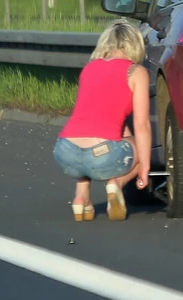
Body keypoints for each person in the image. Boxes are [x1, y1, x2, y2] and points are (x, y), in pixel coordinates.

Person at [53, 18, 151, 221]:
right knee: (143, 146)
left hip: (65, 152)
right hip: (101, 155)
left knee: (89, 144)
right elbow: (142, 126)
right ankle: (116, 184)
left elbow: (98, 117)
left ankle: (81, 196)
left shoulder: (89, 68)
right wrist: (144, 168)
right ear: (136, 45)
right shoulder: (136, 72)